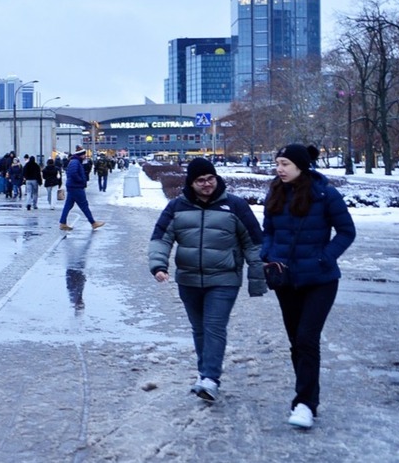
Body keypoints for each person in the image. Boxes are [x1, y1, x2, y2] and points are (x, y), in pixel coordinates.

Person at [148, 157, 266, 402]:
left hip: (224, 279)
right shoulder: (177, 207)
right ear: (191, 183)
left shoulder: (235, 206)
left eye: (210, 178)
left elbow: (254, 242)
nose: (206, 184)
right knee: (199, 329)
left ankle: (211, 378)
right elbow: (161, 238)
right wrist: (159, 265)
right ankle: (204, 375)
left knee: (214, 327)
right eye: (200, 180)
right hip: (188, 280)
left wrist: (258, 279)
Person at [261, 144, 356, 429]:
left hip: (320, 280)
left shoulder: (325, 194)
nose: (279, 168)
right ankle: (306, 397)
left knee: (306, 338)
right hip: (285, 280)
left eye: (285, 163)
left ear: (301, 166)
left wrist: (324, 257)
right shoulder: (275, 191)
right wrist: (268, 254)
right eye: (277, 162)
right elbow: (269, 230)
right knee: (296, 342)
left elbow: (347, 231)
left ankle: (304, 404)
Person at [59, 148, 104, 231]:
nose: (85, 156)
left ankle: (62, 223)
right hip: (76, 187)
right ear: (81, 155)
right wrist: (81, 181)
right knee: (84, 205)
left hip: (73, 186)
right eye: (84, 155)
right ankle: (93, 223)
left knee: (68, 205)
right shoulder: (75, 162)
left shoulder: (75, 161)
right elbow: (73, 174)